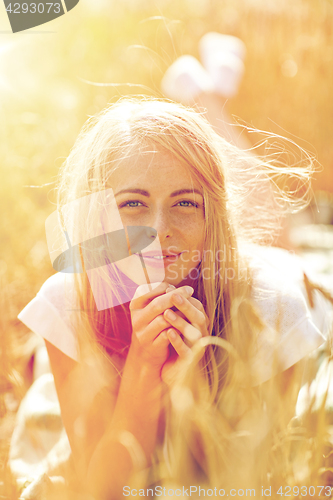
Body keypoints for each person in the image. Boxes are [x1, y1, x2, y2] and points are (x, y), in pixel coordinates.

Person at [17, 97, 326, 499]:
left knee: (299, 255)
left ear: (211, 213)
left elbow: (253, 482)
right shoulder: (67, 302)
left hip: (264, 276)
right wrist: (142, 369)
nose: (159, 230)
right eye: (132, 204)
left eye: (185, 203)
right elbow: (104, 489)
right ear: (98, 217)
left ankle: (209, 96)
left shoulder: (274, 309)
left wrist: (190, 382)